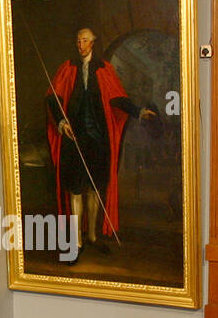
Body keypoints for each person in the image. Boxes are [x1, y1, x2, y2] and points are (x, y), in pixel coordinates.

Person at [45, 28, 158, 261]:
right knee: (75, 189)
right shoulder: (68, 67)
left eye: (84, 40)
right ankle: (76, 241)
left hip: (97, 139)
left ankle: (93, 236)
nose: (80, 44)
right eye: (78, 40)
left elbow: (117, 98)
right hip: (73, 138)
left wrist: (138, 111)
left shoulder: (104, 69)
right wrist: (61, 121)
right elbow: (52, 97)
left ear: (93, 43)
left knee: (94, 188)